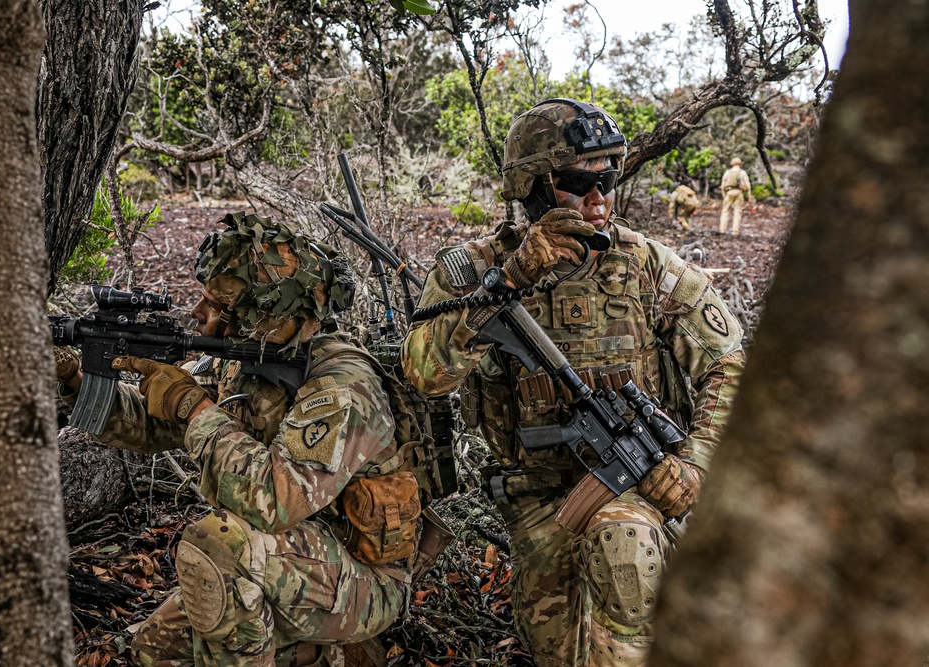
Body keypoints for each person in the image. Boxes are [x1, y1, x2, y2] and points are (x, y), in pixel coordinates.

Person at [401, 98, 745, 667]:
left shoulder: (646, 264)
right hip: (539, 500)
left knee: (625, 551)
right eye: (576, 182)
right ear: (531, 187)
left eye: (609, 180)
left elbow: (731, 365)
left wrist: (696, 464)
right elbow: (422, 373)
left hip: (638, 486)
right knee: (562, 650)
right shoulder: (473, 272)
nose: (598, 197)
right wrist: (508, 284)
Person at [56, 212, 430, 667]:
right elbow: (157, 425)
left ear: (270, 317)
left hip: (363, 579)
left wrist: (192, 406)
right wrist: (75, 379)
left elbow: (274, 499)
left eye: (217, 307)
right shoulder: (245, 358)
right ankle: (300, 648)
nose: (199, 315)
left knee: (217, 547)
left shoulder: (341, 385)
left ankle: (328, 647)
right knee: (153, 651)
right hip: (280, 560)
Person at [719, 156, 751, 235]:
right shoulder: (742, 173)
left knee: (725, 211)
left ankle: (722, 230)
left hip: (729, 193)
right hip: (738, 193)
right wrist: (748, 196)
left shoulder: (727, 172)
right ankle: (735, 231)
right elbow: (748, 185)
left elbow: (723, 185)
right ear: (740, 164)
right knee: (737, 211)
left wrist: (724, 195)